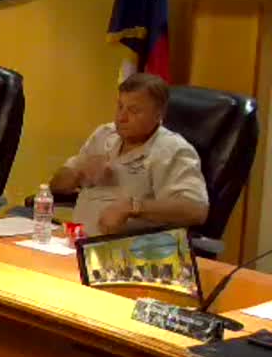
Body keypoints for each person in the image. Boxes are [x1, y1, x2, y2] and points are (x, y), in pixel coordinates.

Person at [48, 73, 208, 236]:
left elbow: (196, 210)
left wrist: (133, 207)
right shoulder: (104, 134)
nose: (121, 117)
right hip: (74, 239)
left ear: (158, 114)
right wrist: (78, 172)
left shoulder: (172, 150)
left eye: (134, 110)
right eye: (120, 107)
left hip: (128, 248)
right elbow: (55, 186)